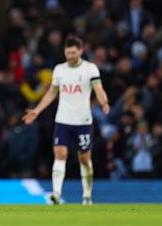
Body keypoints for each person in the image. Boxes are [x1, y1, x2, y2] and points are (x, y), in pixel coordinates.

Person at [22, 35, 109, 205]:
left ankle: (87, 195)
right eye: (67, 52)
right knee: (60, 154)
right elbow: (52, 93)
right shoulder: (59, 70)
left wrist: (104, 102)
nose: (70, 56)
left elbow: (98, 88)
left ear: (81, 51)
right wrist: (37, 110)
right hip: (63, 120)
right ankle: (56, 193)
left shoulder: (90, 69)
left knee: (84, 158)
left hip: (83, 121)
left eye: (73, 53)